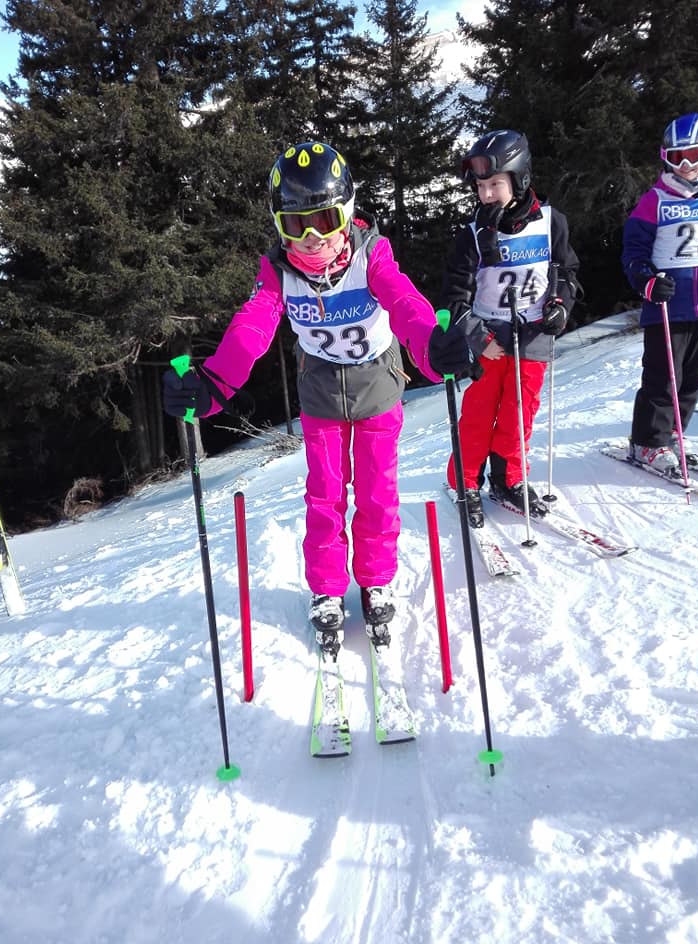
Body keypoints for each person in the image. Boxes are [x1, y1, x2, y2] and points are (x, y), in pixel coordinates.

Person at [162, 140, 470, 647]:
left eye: (324, 221)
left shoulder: (371, 255)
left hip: (377, 388)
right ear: (279, 226)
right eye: (296, 225)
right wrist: (211, 386)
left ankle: (375, 579)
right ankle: (327, 588)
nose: (311, 239)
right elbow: (251, 329)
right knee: (325, 494)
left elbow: (405, 303)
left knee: (377, 492)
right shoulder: (279, 273)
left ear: (346, 215)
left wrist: (433, 349)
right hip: (322, 395)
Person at [433, 129, 579, 527]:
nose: (486, 195)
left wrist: (560, 305)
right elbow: (453, 297)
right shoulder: (472, 236)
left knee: (520, 413)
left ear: (520, 179)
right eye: (480, 187)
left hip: (533, 334)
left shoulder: (551, 224)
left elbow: (566, 272)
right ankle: (465, 482)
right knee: (478, 416)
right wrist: (478, 338)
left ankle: (509, 478)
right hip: (489, 340)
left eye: (495, 184)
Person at [623, 111, 698, 475]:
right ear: (665, 159)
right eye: (677, 158)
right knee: (663, 376)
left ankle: (674, 433)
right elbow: (633, 251)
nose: (686, 165)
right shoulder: (655, 200)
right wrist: (647, 281)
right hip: (667, 304)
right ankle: (648, 440)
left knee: (693, 375)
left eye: (693, 155)